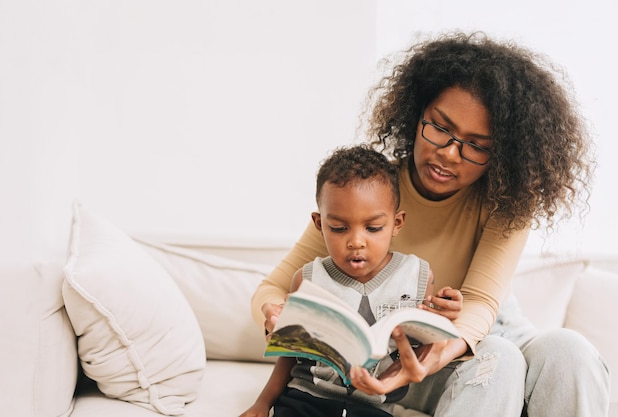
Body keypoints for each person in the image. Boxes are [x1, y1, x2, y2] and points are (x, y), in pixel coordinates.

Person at [251, 32, 610, 417]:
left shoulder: (507, 203)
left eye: (476, 145)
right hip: (415, 358)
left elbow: (481, 305)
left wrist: (433, 353)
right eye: (440, 128)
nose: (449, 154)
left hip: (489, 334)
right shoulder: (369, 196)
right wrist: (276, 314)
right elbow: (272, 288)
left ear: (500, 153)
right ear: (415, 114)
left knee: (567, 349)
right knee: (497, 359)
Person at [240, 145, 463, 417]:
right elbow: (291, 355)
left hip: (374, 407)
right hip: (305, 399)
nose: (356, 241)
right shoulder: (307, 279)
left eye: (373, 228)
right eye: (339, 228)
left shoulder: (417, 275)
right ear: (319, 224)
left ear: (397, 223)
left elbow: (426, 345)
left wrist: (444, 316)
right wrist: (262, 403)